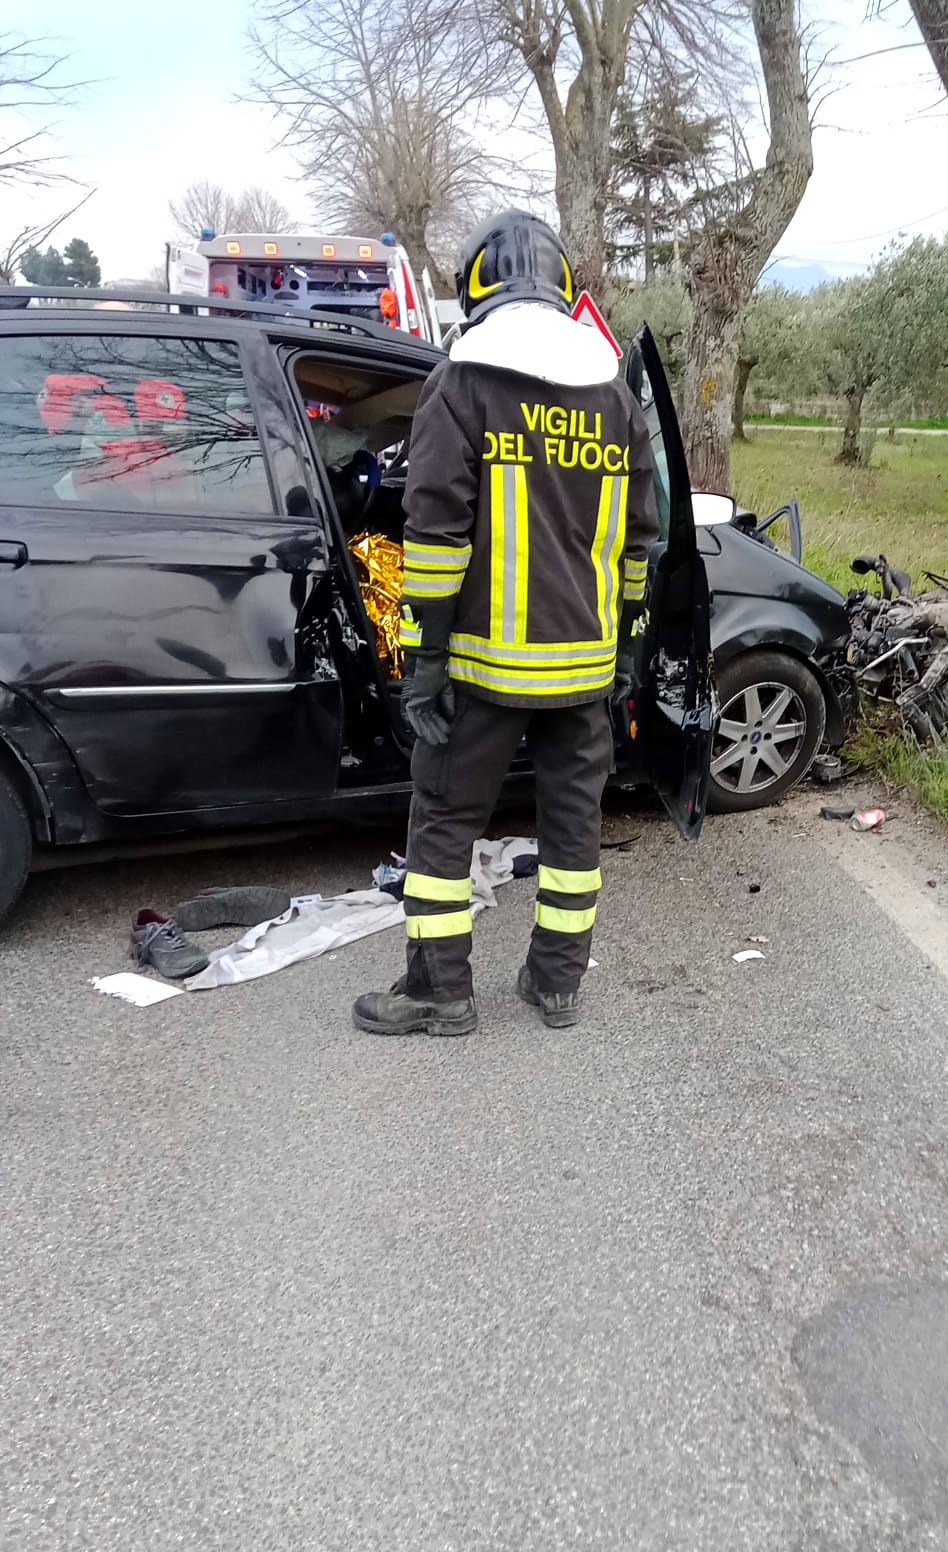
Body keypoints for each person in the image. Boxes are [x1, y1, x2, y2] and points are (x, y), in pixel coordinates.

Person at [352, 210, 657, 1037]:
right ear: (562, 287)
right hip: (585, 674)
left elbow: (436, 534)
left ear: (475, 285)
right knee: (572, 826)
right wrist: (627, 649)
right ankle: (556, 983)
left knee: (446, 824)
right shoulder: (613, 392)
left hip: (483, 673)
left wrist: (425, 660)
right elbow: (640, 543)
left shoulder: (462, 381)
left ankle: (440, 991)